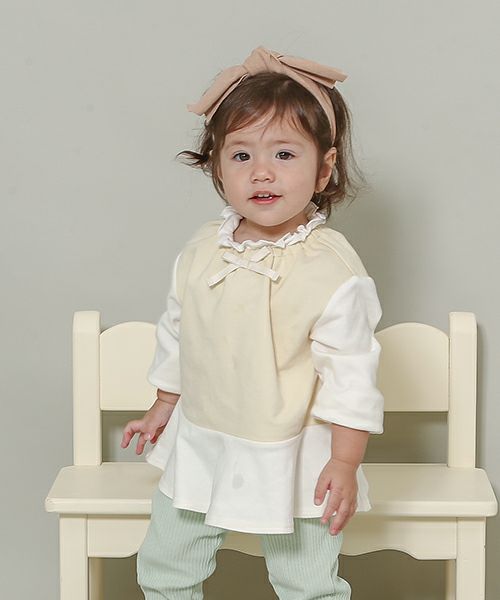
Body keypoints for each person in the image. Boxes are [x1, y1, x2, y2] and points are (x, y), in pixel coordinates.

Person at [121, 45, 385, 600]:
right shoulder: (203, 250)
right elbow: (180, 329)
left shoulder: (329, 269)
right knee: (166, 565)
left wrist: (344, 460)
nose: (261, 172)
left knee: (305, 580)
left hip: (295, 450)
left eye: (285, 154)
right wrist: (164, 403)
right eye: (241, 155)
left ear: (324, 168)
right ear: (216, 166)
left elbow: (351, 375)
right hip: (204, 436)